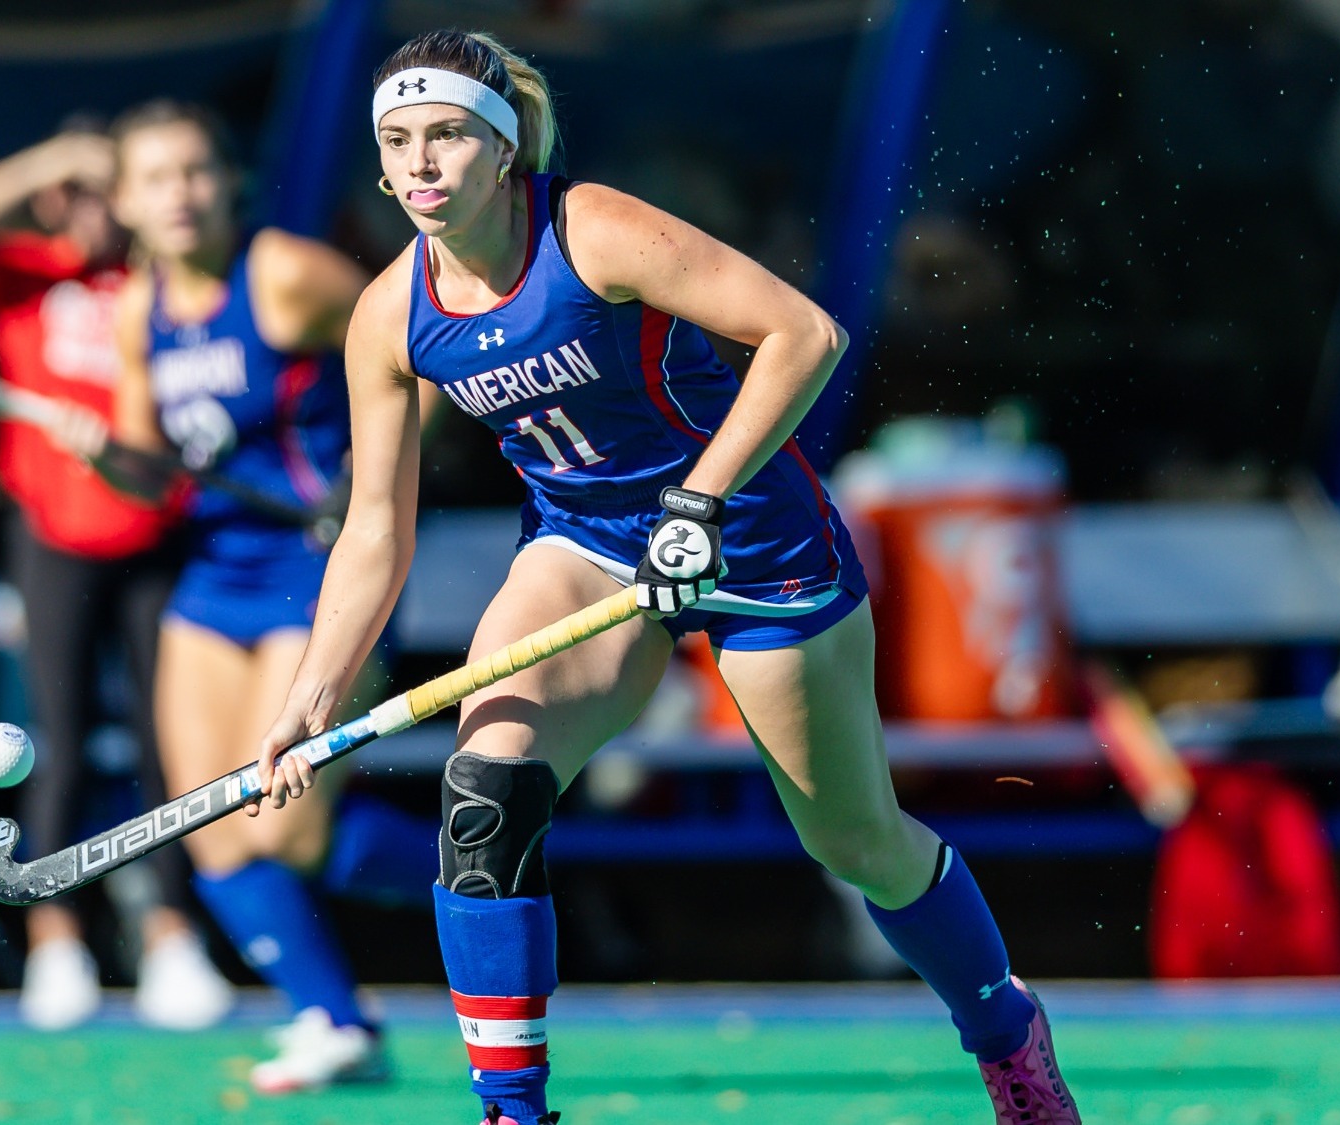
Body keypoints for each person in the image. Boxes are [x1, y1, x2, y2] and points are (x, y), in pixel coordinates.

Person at [249, 29, 1081, 1125]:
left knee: (856, 843)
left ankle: (1006, 1034)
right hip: (588, 551)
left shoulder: (590, 230)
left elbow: (803, 334)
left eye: (447, 135)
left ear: (503, 148)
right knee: (484, 793)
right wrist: (312, 695)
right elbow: (373, 529)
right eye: (398, 142)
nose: (421, 164)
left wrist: (700, 503)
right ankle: (512, 1111)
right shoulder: (386, 316)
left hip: (754, 543)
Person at [107, 99, 440, 1095]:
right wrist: (101, 454)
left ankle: (487, 864)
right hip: (216, 578)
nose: (179, 195)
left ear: (229, 182)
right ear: (123, 202)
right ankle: (335, 1023)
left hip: (321, 572)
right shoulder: (135, 312)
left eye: (196, 170)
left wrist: (370, 482)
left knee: (283, 826)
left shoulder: (285, 276)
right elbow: (148, 476)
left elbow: (423, 347)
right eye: (155, 178)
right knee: (208, 823)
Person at [0, 124, 234, 1032]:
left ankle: (171, 936)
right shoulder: (28, 273)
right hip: (53, 538)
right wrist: (50, 160)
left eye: (102, 190)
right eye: (70, 195)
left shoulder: (167, 280)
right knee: (59, 738)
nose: (84, 209)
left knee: (173, 741)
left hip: (161, 533)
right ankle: (56, 942)